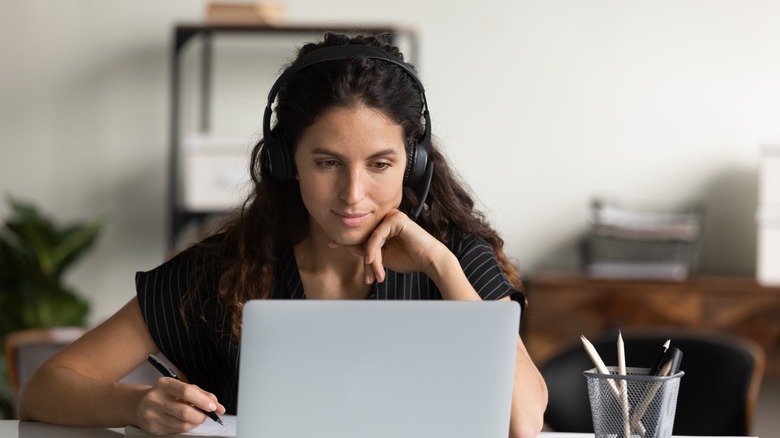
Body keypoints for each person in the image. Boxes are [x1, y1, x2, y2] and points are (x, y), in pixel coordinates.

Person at [19, 33, 548, 437]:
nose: (353, 194)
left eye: (380, 164)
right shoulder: (224, 269)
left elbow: (523, 422)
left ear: (413, 164)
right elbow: (44, 389)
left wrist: (443, 268)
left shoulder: (454, 256)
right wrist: (135, 404)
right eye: (326, 162)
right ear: (284, 160)